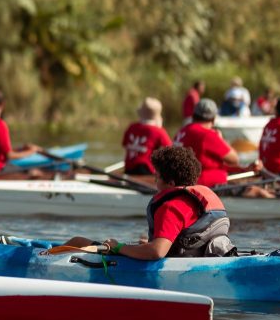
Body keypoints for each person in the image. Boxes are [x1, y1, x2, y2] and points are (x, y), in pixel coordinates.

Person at [62, 145, 236, 260]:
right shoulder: (196, 199)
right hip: (202, 258)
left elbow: (157, 252)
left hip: (172, 265)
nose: (154, 180)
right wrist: (148, 246)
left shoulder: (170, 207)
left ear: (171, 183)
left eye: (157, 176)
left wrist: (118, 247)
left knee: (77, 242)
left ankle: (44, 259)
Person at [173, 98, 239, 187]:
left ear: (194, 115)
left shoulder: (182, 130)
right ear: (213, 119)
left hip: (181, 180)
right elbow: (234, 159)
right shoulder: (207, 134)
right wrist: (221, 139)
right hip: (203, 183)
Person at [122, 97, 173, 175]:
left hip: (128, 168)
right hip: (146, 170)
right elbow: (171, 151)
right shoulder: (159, 131)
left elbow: (125, 146)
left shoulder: (131, 127)